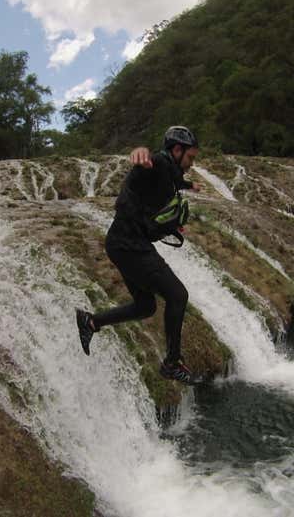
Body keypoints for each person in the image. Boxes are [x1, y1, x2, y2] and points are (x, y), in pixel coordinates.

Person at [76, 126, 202, 384]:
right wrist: (139, 153)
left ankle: (90, 322)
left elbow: (174, 181)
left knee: (146, 306)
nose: (191, 163)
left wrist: (190, 185)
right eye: (190, 158)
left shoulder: (172, 173)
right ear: (176, 150)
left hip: (125, 244)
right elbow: (144, 159)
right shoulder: (156, 163)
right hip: (129, 245)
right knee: (178, 295)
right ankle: (172, 363)